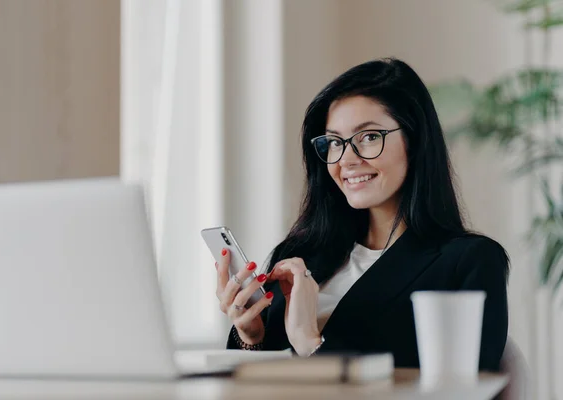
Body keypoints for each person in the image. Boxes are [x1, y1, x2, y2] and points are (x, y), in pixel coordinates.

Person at [214, 58, 509, 371]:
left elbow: (467, 389)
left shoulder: (469, 261)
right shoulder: (299, 254)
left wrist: (310, 342)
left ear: (415, 140)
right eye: (335, 142)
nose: (347, 159)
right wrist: (251, 335)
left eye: (369, 137)